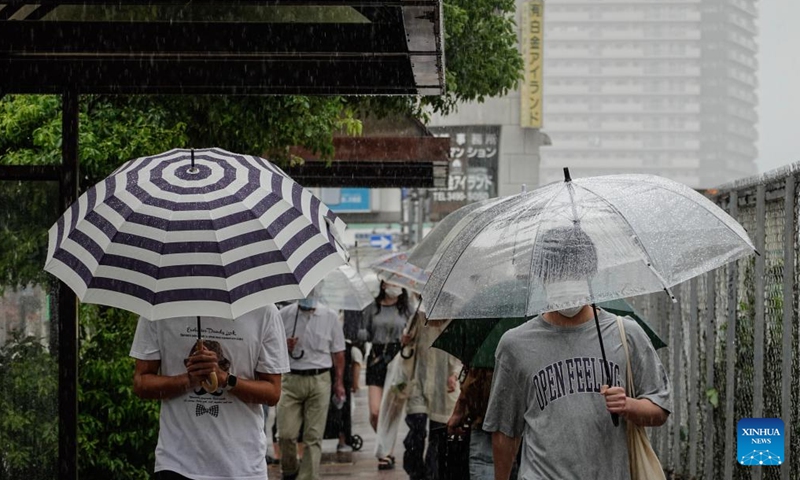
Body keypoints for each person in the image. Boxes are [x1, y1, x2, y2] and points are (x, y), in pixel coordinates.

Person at [483, 225, 672, 480]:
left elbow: (659, 410)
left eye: (573, 270)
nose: (565, 279)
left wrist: (628, 405)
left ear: (590, 273)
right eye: (556, 271)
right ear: (541, 276)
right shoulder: (515, 344)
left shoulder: (626, 334)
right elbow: (505, 430)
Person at [130, 305, 290, 480]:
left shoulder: (262, 311)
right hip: (176, 463)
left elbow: (272, 392)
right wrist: (188, 380)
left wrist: (225, 379)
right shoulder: (159, 309)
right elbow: (141, 383)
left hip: (243, 465)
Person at [277, 296, 346, 480]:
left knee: (313, 436)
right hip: (291, 379)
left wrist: (339, 383)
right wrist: (284, 345)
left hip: (320, 380)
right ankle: (290, 471)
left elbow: (338, 352)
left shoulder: (330, 316)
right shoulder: (284, 314)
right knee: (285, 434)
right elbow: (270, 346)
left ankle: (308, 476)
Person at [357, 280, 412, 469]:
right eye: (391, 280)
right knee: (375, 412)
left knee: (391, 412)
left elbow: (414, 333)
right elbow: (364, 332)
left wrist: (407, 338)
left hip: (398, 361)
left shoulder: (407, 308)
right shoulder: (372, 308)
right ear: (383, 284)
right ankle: (385, 444)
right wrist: (362, 334)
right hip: (376, 360)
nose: (394, 285)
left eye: (398, 280)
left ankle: (386, 453)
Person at [402, 311, 461, 480]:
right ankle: (415, 472)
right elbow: (407, 346)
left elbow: (461, 354)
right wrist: (405, 340)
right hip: (419, 383)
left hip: (444, 386)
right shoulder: (419, 318)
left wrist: (455, 374)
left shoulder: (455, 319)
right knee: (416, 428)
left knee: (439, 436)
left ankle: (431, 475)